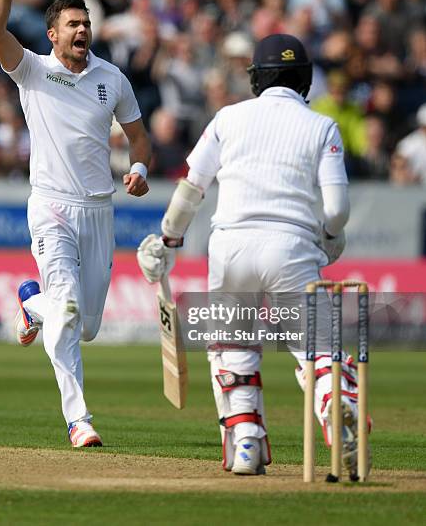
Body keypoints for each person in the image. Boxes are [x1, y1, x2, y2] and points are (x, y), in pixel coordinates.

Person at [137, 33, 366, 478]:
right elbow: (337, 208)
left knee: (233, 348)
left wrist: (168, 241)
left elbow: (192, 189)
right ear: (305, 79)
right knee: (318, 348)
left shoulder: (228, 117)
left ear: (255, 78)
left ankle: (245, 445)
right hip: (293, 244)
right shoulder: (322, 125)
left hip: (232, 245)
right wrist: (330, 235)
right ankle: (335, 403)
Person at [0, 0, 151, 448]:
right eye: (72, 25)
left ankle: (32, 303)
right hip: (52, 206)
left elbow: (138, 136)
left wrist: (140, 165)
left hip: (99, 212)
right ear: (53, 33)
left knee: (85, 325)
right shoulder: (34, 70)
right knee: (71, 311)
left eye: (87, 24)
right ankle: (79, 419)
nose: (82, 30)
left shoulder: (112, 78)